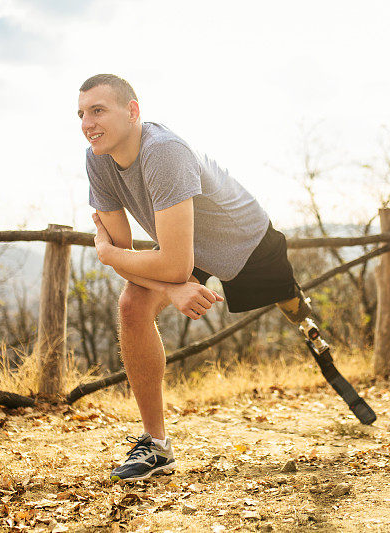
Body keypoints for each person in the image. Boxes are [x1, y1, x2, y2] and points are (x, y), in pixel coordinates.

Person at [78, 74, 302, 481]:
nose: (87, 123)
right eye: (81, 114)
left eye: (97, 110)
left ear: (133, 111)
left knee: (287, 299)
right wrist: (167, 286)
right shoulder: (97, 159)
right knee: (131, 306)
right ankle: (156, 446)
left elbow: (130, 255)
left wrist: (110, 254)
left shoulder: (163, 152)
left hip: (246, 241)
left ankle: (294, 301)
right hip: (185, 244)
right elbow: (138, 256)